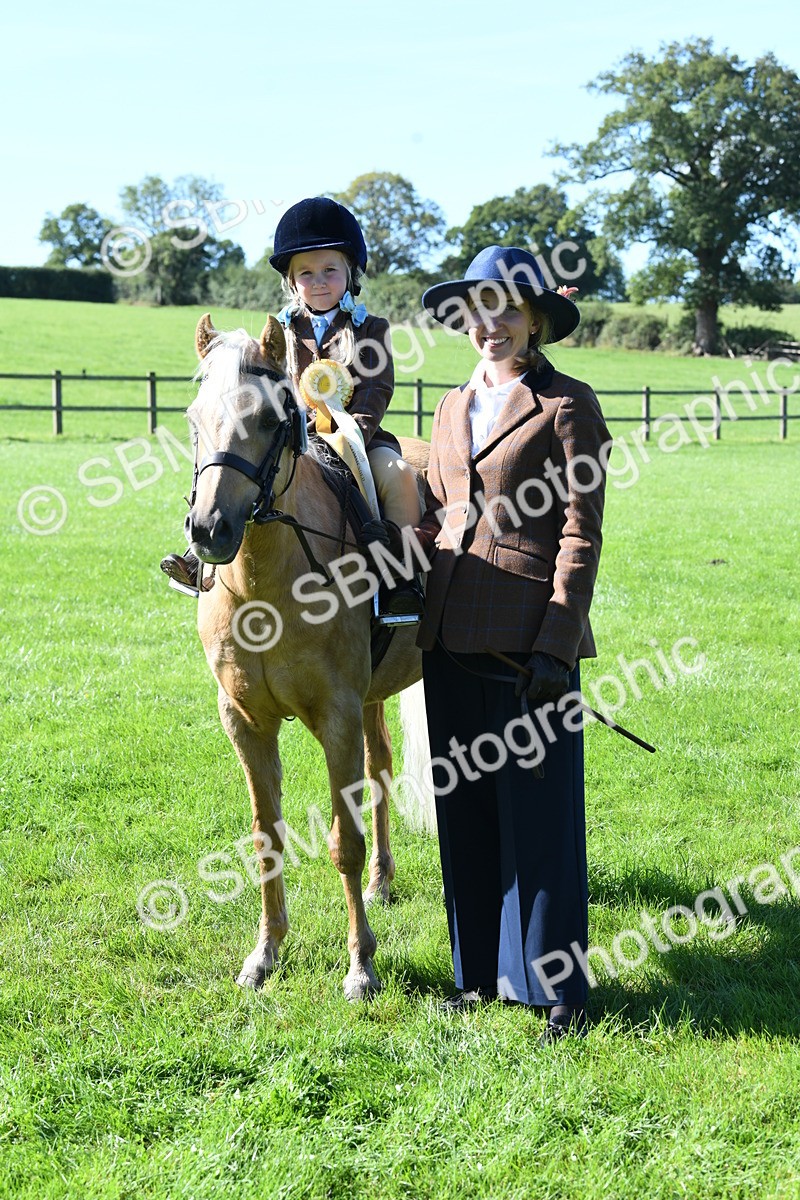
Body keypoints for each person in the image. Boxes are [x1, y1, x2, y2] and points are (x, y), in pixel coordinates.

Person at [413, 245, 609, 1043]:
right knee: (466, 810)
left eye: (507, 311)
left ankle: (559, 988)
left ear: (533, 320)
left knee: (541, 815)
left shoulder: (569, 405)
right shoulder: (450, 408)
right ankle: (483, 976)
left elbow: (581, 532)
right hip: (449, 633)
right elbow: (433, 516)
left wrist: (556, 646)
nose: (490, 326)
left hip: (530, 643)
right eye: (478, 311)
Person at [161, 196, 423, 617]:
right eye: (307, 273)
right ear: (291, 281)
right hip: (290, 438)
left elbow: (377, 388)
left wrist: (351, 430)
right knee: (234, 468)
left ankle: (401, 580)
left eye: (329, 271)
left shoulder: (371, 328)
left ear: (350, 274)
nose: (319, 282)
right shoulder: (278, 331)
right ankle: (201, 557)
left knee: (399, 475)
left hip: (356, 437)